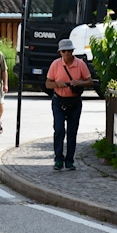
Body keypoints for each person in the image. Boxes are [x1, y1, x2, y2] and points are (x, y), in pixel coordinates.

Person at [46, 39, 92, 171]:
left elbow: (90, 82)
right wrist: (56, 84)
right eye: (64, 51)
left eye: (69, 51)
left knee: (72, 132)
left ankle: (70, 160)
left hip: (75, 102)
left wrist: (79, 83)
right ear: (60, 52)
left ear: (73, 51)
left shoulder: (80, 64)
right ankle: (58, 159)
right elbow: (48, 84)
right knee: (59, 130)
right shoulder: (55, 64)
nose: (67, 53)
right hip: (58, 101)